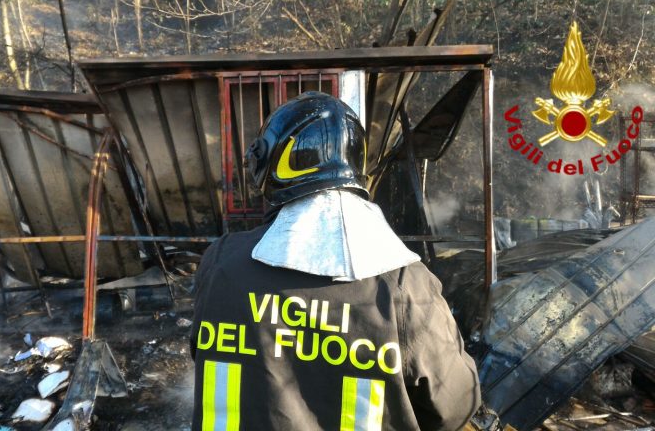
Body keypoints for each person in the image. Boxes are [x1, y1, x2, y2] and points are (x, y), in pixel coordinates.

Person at [190, 91, 480, 431]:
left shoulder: (221, 262)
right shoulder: (407, 286)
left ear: (272, 164)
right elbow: (456, 406)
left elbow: (204, 354)